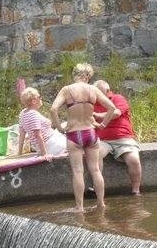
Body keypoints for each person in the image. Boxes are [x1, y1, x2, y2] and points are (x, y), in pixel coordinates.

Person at [50, 63, 116, 212]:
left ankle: (79, 207)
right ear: (86, 76)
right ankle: (101, 203)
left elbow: (53, 108)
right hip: (91, 133)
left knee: (78, 171)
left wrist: (60, 127)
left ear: (75, 74)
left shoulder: (67, 90)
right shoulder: (93, 89)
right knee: (96, 170)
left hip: (74, 133)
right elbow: (112, 107)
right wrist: (103, 124)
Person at [92, 80, 142, 195]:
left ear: (108, 91)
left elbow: (116, 113)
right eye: (95, 92)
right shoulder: (93, 103)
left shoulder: (118, 98)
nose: (97, 95)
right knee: (95, 154)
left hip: (124, 139)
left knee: (133, 159)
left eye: (99, 92)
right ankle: (97, 188)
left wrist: (98, 115)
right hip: (103, 140)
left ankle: (136, 191)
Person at [17, 87, 67, 160]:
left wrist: (19, 152)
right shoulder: (33, 114)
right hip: (52, 144)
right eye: (39, 97)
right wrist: (45, 154)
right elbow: (38, 135)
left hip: (42, 146)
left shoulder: (23, 113)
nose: (41, 98)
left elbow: (22, 133)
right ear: (34, 101)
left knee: (64, 124)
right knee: (68, 125)